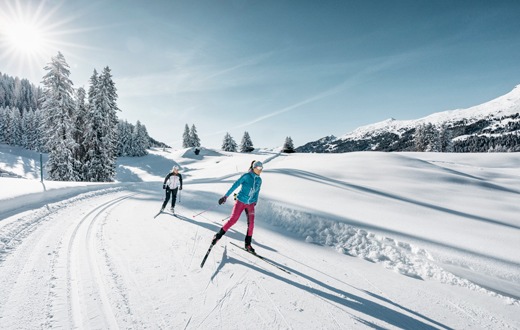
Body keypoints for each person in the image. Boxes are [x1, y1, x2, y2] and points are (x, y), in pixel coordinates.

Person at [211, 160, 263, 253]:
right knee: (233, 220)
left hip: (250, 204)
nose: (260, 170)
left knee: (251, 224)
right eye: (259, 168)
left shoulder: (259, 180)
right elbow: (235, 185)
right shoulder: (246, 176)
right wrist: (225, 196)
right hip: (241, 202)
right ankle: (218, 236)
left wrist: (255, 201)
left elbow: (257, 192)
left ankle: (248, 245)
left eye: (261, 168)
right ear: (254, 168)